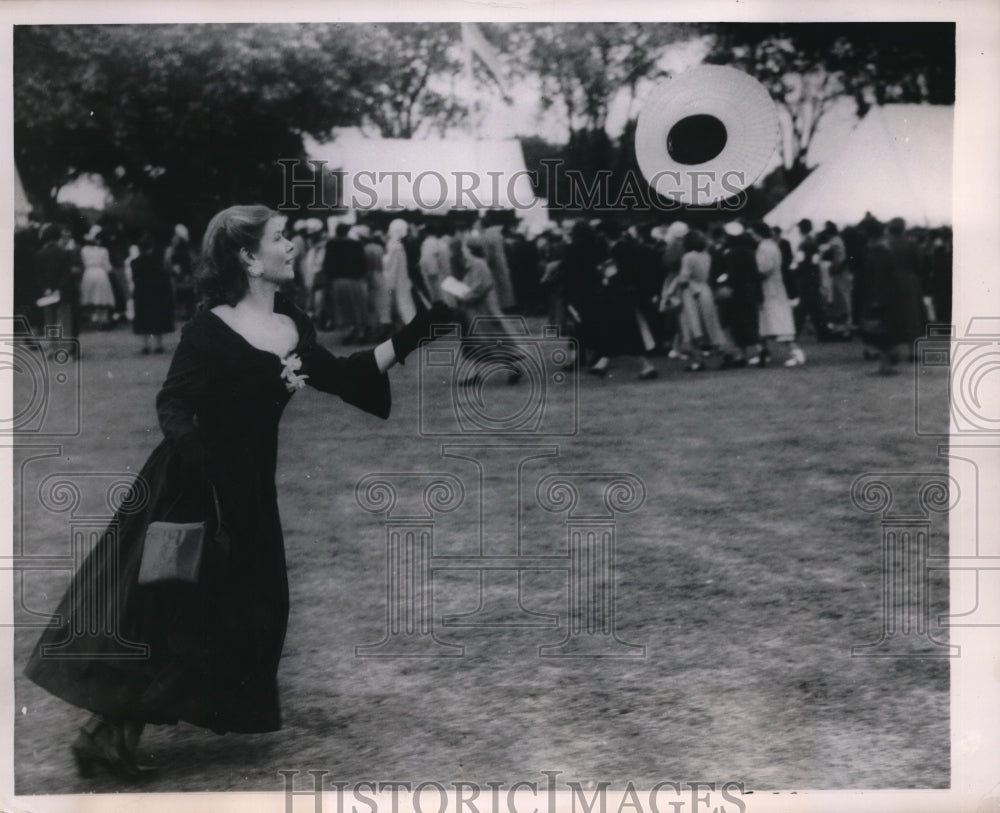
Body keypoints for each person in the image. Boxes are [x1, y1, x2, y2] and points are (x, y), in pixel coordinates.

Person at [24, 204, 455, 781]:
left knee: (237, 611)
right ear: (249, 257)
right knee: (167, 609)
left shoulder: (292, 325)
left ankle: (110, 734)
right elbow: (172, 402)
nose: (293, 245)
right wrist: (199, 459)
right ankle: (106, 736)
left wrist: (416, 335)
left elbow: (348, 376)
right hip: (191, 483)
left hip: (247, 490)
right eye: (280, 238)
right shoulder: (209, 327)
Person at [752, 221, 805, 367]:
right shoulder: (771, 245)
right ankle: (764, 352)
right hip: (773, 287)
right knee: (766, 322)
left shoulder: (765, 247)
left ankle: (795, 351)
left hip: (770, 288)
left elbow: (764, 269)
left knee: (778, 322)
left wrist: (753, 276)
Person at [130, 233, 175, 354]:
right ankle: (158, 345)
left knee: (143, 318)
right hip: (157, 292)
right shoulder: (159, 261)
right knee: (157, 317)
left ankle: (145, 345)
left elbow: (134, 278)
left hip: (141, 294)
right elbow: (166, 276)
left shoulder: (134, 262)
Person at [79, 225, 117, 329]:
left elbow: (82, 263)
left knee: (90, 297)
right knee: (101, 297)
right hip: (101, 273)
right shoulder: (103, 251)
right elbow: (107, 266)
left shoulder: (84, 250)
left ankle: (93, 318)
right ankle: (102, 319)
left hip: (89, 273)